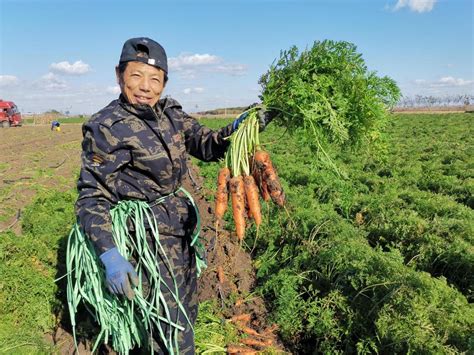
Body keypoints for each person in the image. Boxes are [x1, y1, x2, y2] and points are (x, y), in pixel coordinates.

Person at [75, 37, 275, 354]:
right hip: (147, 241)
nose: (145, 86)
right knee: (168, 331)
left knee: (185, 311)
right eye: (136, 75)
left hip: (180, 233)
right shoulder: (105, 127)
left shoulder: (172, 114)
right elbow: (91, 196)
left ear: (164, 83)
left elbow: (207, 144)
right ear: (119, 75)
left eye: (155, 79)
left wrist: (242, 124)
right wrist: (109, 254)